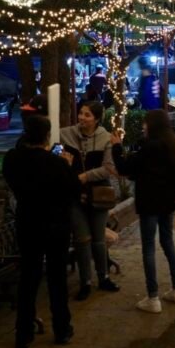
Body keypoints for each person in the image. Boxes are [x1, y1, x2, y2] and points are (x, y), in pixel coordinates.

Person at [2, 115, 79, 348]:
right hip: (55, 225)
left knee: (29, 277)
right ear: (46, 135)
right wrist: (67, 167)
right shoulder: (54, 163)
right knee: (57, 278)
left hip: (28, 223)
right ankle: (61, 328)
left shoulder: (12, 159)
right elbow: (72, 192)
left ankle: (23, 332)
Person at [111, 110, 175, 314]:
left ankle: (153, 296)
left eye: (145, 123)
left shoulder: (150, 147)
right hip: (167, 201)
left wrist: (116, 147)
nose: (143, 126)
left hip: (149, 203)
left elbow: (126, 167)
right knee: (167, 242)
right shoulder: (172, 144)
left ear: (152, 125)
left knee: (148, 247)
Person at [60, 100, 120, 301]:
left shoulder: (105, 138)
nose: (81, 118)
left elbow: (109, 168)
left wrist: (84, 176)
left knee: (98, 239)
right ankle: (85, 281)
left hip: (98, 194)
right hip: (74, 195)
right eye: (81, 113)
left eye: (87, 115)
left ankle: (103, 277)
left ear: (96, 119)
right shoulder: (66, 134)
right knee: (82, 239)